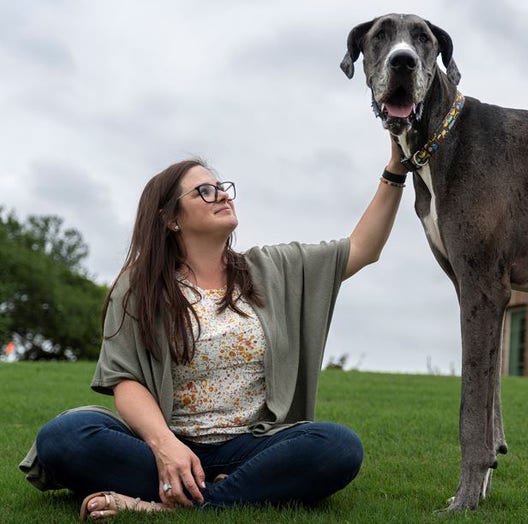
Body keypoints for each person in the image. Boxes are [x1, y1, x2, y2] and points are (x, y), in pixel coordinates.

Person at [20, 138, 409, 519]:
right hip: (164, 447)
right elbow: (125, 381)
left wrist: (396, 169)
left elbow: (362, 248)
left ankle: (168, 504)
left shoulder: (273, 268)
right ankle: (226, 491)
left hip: (251, 447)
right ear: (171, 218)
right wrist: (165, 446)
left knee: (337, 446)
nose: (222, 195)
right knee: (63, 436)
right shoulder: (140, 286)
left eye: (222, 187)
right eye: (204, 191)